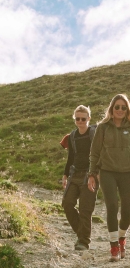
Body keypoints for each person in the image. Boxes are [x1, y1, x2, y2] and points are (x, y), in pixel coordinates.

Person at [88, 93, 130, 261]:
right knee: (112, 207)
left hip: (127, 173)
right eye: (117, 107)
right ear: (112, 108)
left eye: (123, 107)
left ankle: (121, 238)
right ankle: (114, 246)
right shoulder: (102, 127)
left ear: (127, 110)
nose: (120, 110)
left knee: (127, 210)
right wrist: (92, 173)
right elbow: (94, 152)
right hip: (107, 172)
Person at [60, 105, 97, 251]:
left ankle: (83, 242)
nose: (80, 121)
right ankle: (82, 234)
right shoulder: (72, 136)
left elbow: (100, 154)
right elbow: (71, 157)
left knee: (85, 209)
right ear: (74, 119)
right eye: (77, 118)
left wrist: (95, 174)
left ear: (89, 119)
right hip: (75, 174)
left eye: (83, 118)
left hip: (90, 175)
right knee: (67, 203)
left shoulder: (94, 133)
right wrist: (65, 175)